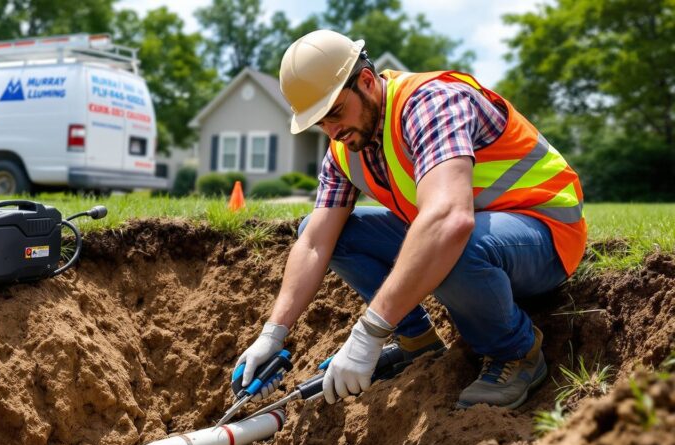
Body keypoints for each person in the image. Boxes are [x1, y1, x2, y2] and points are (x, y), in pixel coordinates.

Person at [233, 30, 586, 410]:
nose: (332, 130)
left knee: (452, 241)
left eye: (334, 112)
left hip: (544, 232)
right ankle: (416, 341)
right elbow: (315, 242)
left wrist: (368, 332)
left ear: (366, 82)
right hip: (477, 233)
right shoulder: (344, 148)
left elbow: (449, 221)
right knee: (326, 233)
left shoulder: (431, 104)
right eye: (319, 122)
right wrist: (273, 333)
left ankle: (517, 354)